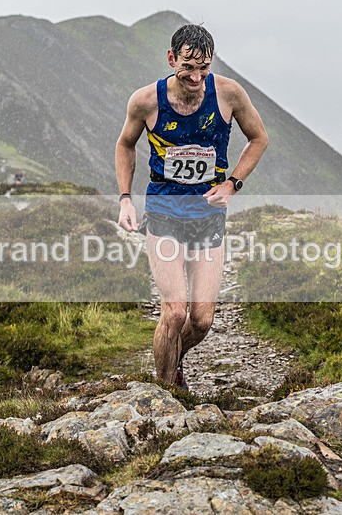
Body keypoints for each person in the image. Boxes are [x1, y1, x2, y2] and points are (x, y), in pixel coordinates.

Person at [115, 24, 268, 389]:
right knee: (174, 312)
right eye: (188, 67)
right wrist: (125, 199)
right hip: (164, 211)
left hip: (208, 216)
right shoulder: (146, 101)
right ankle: (165, 392)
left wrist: (232, 184)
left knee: (200, 320)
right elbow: (125, 145)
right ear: (172, 59)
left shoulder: (229, 94)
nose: (196, 77)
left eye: (204, 68)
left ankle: (173, 357)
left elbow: (259, 138)